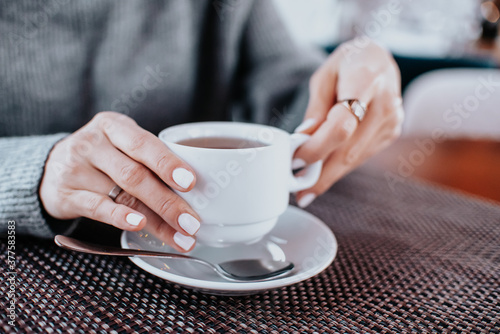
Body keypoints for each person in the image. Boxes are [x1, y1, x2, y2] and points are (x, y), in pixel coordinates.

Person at [0, 0, 403, 252]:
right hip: (28, 260)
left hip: (189, 250)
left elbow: (291, 103)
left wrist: (355, 81)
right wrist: (36, 170)